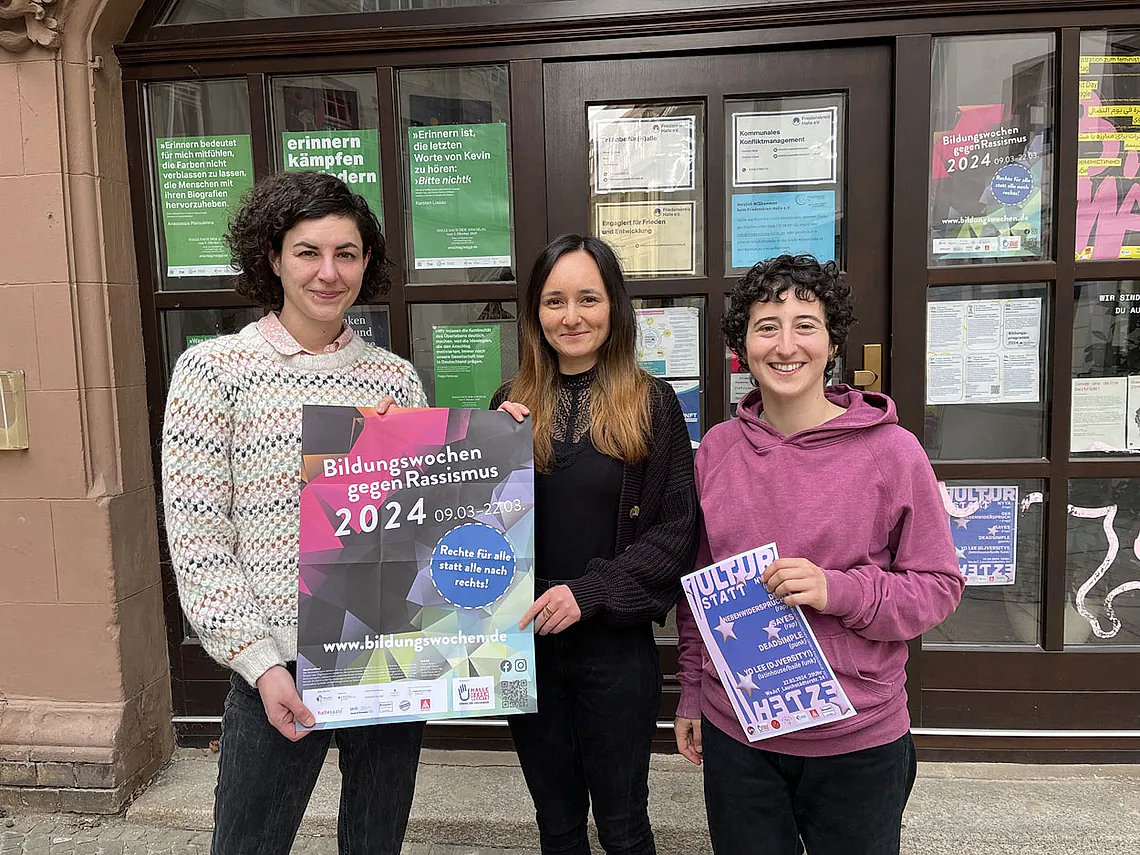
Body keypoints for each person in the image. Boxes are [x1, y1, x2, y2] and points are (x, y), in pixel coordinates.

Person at [161, 171, 427, 855]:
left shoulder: (393, 378)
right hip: (275, 668)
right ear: (272, 256)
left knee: (376, 844)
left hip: (383, 659)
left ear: (367, 262)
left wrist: (492, 448)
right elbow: (199, 541)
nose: (328, 272)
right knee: (248, 844)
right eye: (308, 251)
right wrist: (260, 661)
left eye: (347, 252)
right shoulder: (214, 371)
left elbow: (422, 525)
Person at [674, 254, 964, 855]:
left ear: (832, 342)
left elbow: (938, 585)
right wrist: (693, 691)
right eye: (767, 326)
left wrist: (840, 590)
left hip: (858, 737)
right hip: (741, 736)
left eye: (806, 324)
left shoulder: (892, 451)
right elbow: (697, 588)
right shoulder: (718, 452)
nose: (786, 345)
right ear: (743, 345)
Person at [493, 234, 699, 855]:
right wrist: (479, 448)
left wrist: (588, 593)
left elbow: (675, 532)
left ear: (615, 308)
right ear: (535, 313)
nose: (572, 316)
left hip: (614, 652)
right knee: (555, 827)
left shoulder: (652, 403)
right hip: (523, 649)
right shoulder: (510, 404)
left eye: (588, 298)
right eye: (554, 301)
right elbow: (471, 525)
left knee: (624, 827)